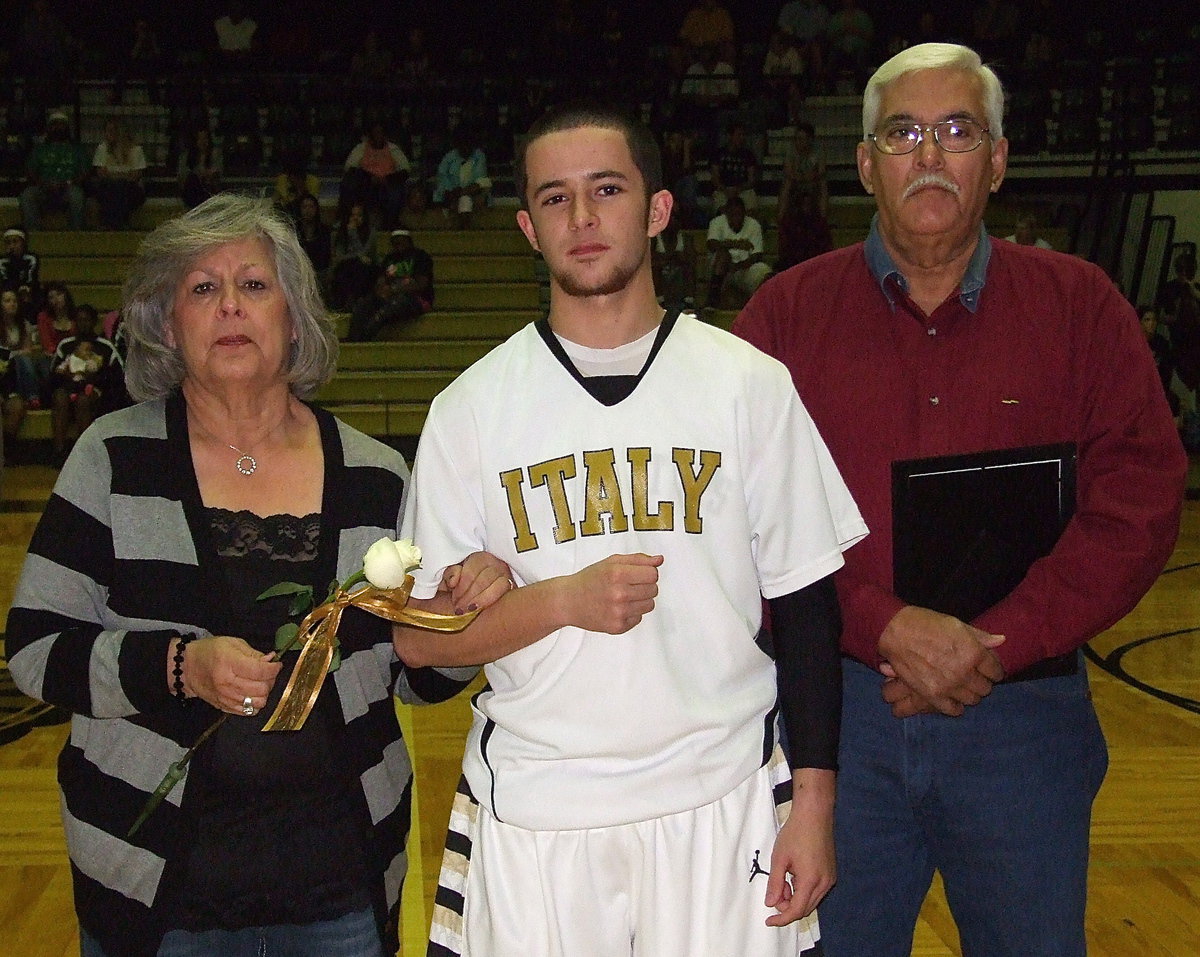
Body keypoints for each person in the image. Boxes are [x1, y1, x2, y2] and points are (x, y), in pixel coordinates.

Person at [733, 42, 1187, 957]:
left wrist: (1002, 639)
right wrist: (883, 624)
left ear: (999, 158)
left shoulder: (1081, 307)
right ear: (865, 163)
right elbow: (739, 522)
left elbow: (1138, 500)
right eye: (903, 132)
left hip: (1023, 720)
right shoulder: (780, 321)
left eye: (957, 130)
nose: (930, 154)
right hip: (837, 721)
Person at [392, 102, 867, 957]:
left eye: (605, 190)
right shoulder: (469, 411)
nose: (581, 218)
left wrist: (816, 808)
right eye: (555, 198)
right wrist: (561, 600)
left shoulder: (747, 384)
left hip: (722, 799)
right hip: (540, 807)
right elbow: (421, 646)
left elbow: (807, 613)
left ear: (656, 209)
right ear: (527, 228)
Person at [4, 193, 507, 957]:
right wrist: (179, 665)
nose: (230, 305)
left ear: (295, 317)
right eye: (203, 288)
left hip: (339, 887)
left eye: (254, 285)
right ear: (169, 325)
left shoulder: (376, 474)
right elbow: (35, 649)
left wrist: (460, 623)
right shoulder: (111, 457)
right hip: (155, 895)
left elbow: (415, 678)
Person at [47, 302, 121, 463]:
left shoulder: (105, 346)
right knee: (59, 396)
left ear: (94, 322)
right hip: (68, 389)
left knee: (83, 400)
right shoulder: (66, 345)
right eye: (79, 320)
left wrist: (93, 381)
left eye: (86, 320)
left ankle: (84, 456)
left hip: (94, 392)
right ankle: (58, 452)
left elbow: (116, 376)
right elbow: (53, 375)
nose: (83, 324)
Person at [19, 111, 89, 230]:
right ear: (49, 128)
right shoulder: (39, 150)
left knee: (77, 196)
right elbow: (30, 172)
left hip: (68, 188)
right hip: (43, 188)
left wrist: (69, 183)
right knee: (27, 195)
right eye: (54, 124)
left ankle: (75, 235)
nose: (58, 127)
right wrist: (43, 184)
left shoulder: (78, 149)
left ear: (67, 128)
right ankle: (34, 234)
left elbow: (85, 172)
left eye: (61, 124)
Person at [340, 121, 412, 230]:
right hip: (366, 185)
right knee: (348, 183)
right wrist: (369, 178)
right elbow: (349, 168)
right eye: (375, 133)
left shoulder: (393, 149)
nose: (378, 135)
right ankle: (346, 220)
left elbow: (405, 170)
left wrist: (386, 179)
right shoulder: (361, 148)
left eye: (380, 133)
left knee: (397, 191)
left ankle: (390, 224)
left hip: (387, 185)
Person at [706, 194, 772, 306]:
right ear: (726, 213)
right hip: (719, 268)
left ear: (744, 214)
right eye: (732, 214)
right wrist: (735, 244)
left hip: (743, 268)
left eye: (739, 214)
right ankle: (713, 298)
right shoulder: (717, 222)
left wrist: (737, 266)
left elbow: (757, 255)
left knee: (765, 271)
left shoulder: (754, 224)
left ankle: (759, 305)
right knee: (723, 255)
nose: (736, 217)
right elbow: (711, 244)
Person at [90, 117, 148, 229]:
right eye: (107, 131)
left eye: (112, 131)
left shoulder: (136, 150)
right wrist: (122, 176)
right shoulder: (102, 148)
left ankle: (113, 223)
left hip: (130, 188)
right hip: (108, 186)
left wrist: (115, 176)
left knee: (121, 188)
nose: (108, 134)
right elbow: (101, 173)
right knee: (112, 188)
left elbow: (136, 176)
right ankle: (117, 223)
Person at [432, 128, 491, 229]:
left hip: (473, 193)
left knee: (466, 199)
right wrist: (451, 191)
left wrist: (462, 192)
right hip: (450, 193)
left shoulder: (479, 156)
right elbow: (442, 177)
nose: (465, 148)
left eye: (468, 144)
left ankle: (465, 227)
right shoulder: (449, 157)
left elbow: (480, 178)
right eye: (462, 144)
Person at [178, 127, 223, 209]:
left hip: (209, 185)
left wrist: (209, 173)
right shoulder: (186, 156)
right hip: (193, 187)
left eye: (205, 138)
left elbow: (219, 170)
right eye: (200, 139)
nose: (203, 142)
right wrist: (198, 173)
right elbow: (182, 174)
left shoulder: (215, 155)